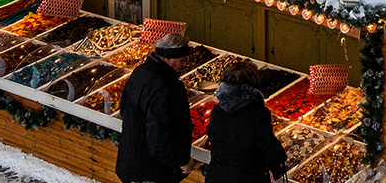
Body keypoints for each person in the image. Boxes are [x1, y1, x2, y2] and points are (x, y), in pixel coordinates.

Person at [117, 32, 195, 183]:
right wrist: (182, 160)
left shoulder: (140, 72)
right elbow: (159, 141)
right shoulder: (165, 89)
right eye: (181, 60)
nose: (184, 64)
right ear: (167, 59)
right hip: (151, 171)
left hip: (131, 162)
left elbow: (124, 109)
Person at [203, 59, 286, 183]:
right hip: (247, 177)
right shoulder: (257, 114)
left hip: (217, 175)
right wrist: (277, 170)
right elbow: (268, 147)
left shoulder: (218, 111)